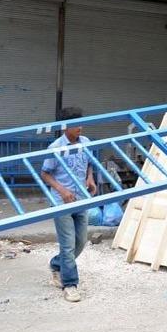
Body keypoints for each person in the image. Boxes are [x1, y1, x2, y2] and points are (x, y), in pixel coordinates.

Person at [40, 107, 97, 303]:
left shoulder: (86, 142)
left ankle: (56, 265)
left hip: (80, 198)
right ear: (65, 127)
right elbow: (45, 173)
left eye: (81, 123)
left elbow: (90, 163)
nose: (79, 127)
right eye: (75, 125)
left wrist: (90, 178)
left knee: (80, 242)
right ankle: (70, 285)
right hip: (61, 201)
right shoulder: (55, 147)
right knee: (67, 245)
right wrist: (62, 190)